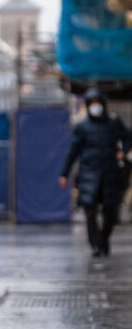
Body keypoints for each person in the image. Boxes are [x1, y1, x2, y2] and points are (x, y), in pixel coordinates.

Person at [59, 88, 131, 257]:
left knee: (111, 212)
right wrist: (64, 173)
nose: (95, 106)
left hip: (110, 173)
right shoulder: (82, 127)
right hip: (89, 174)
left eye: (98, 103)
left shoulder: (113, 122)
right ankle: (96, 245)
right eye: (92, 103)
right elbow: (73, 151)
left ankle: (104, 238)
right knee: (89, 212)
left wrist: (123, 150)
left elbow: (128, 137)